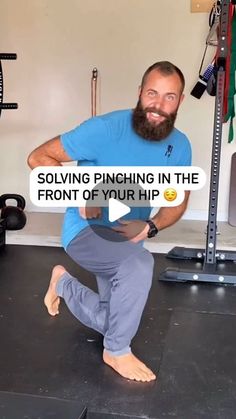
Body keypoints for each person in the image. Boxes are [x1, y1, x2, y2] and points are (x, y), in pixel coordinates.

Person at [28, 61, 191, 383]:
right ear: (139, 94)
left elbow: (178, 199)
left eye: (169, 97)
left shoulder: (180, 145)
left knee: (113, 316)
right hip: (87, 230)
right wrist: (78, 192)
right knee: (139, 266)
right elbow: (39, 158)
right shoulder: (104, 129)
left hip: (128, 237)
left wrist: (152, 225)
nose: (159, 105)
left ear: (180, 101)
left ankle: (62, 283)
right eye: (152, 94)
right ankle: (116, 351)